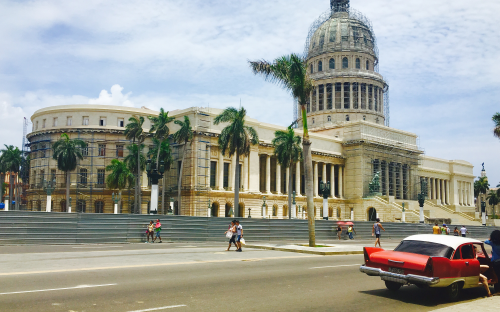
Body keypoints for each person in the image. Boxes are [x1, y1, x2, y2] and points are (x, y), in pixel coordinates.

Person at [485, 230, 500, 294]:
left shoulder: (493, 243)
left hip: (496, 262)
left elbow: (486, 241)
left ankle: (497, 291)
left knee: (496, 276)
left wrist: (490, 238)